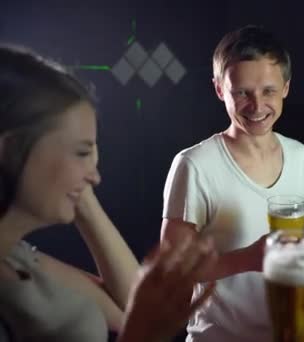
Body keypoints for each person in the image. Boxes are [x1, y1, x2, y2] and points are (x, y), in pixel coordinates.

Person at [0, 44, 216, 342]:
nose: (96, 176)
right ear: (9, 149)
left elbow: (129, 308)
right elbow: (138, 325)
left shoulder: (15, 257)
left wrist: (82, 200)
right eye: (80, 152)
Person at [160, 25, 304, 341]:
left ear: (286, 88)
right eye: (241, 92)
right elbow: (170, 272)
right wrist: (248, 258)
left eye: (268, 91)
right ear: (220, 89)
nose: (257, 105)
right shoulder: (194, 164)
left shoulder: (300, 156)